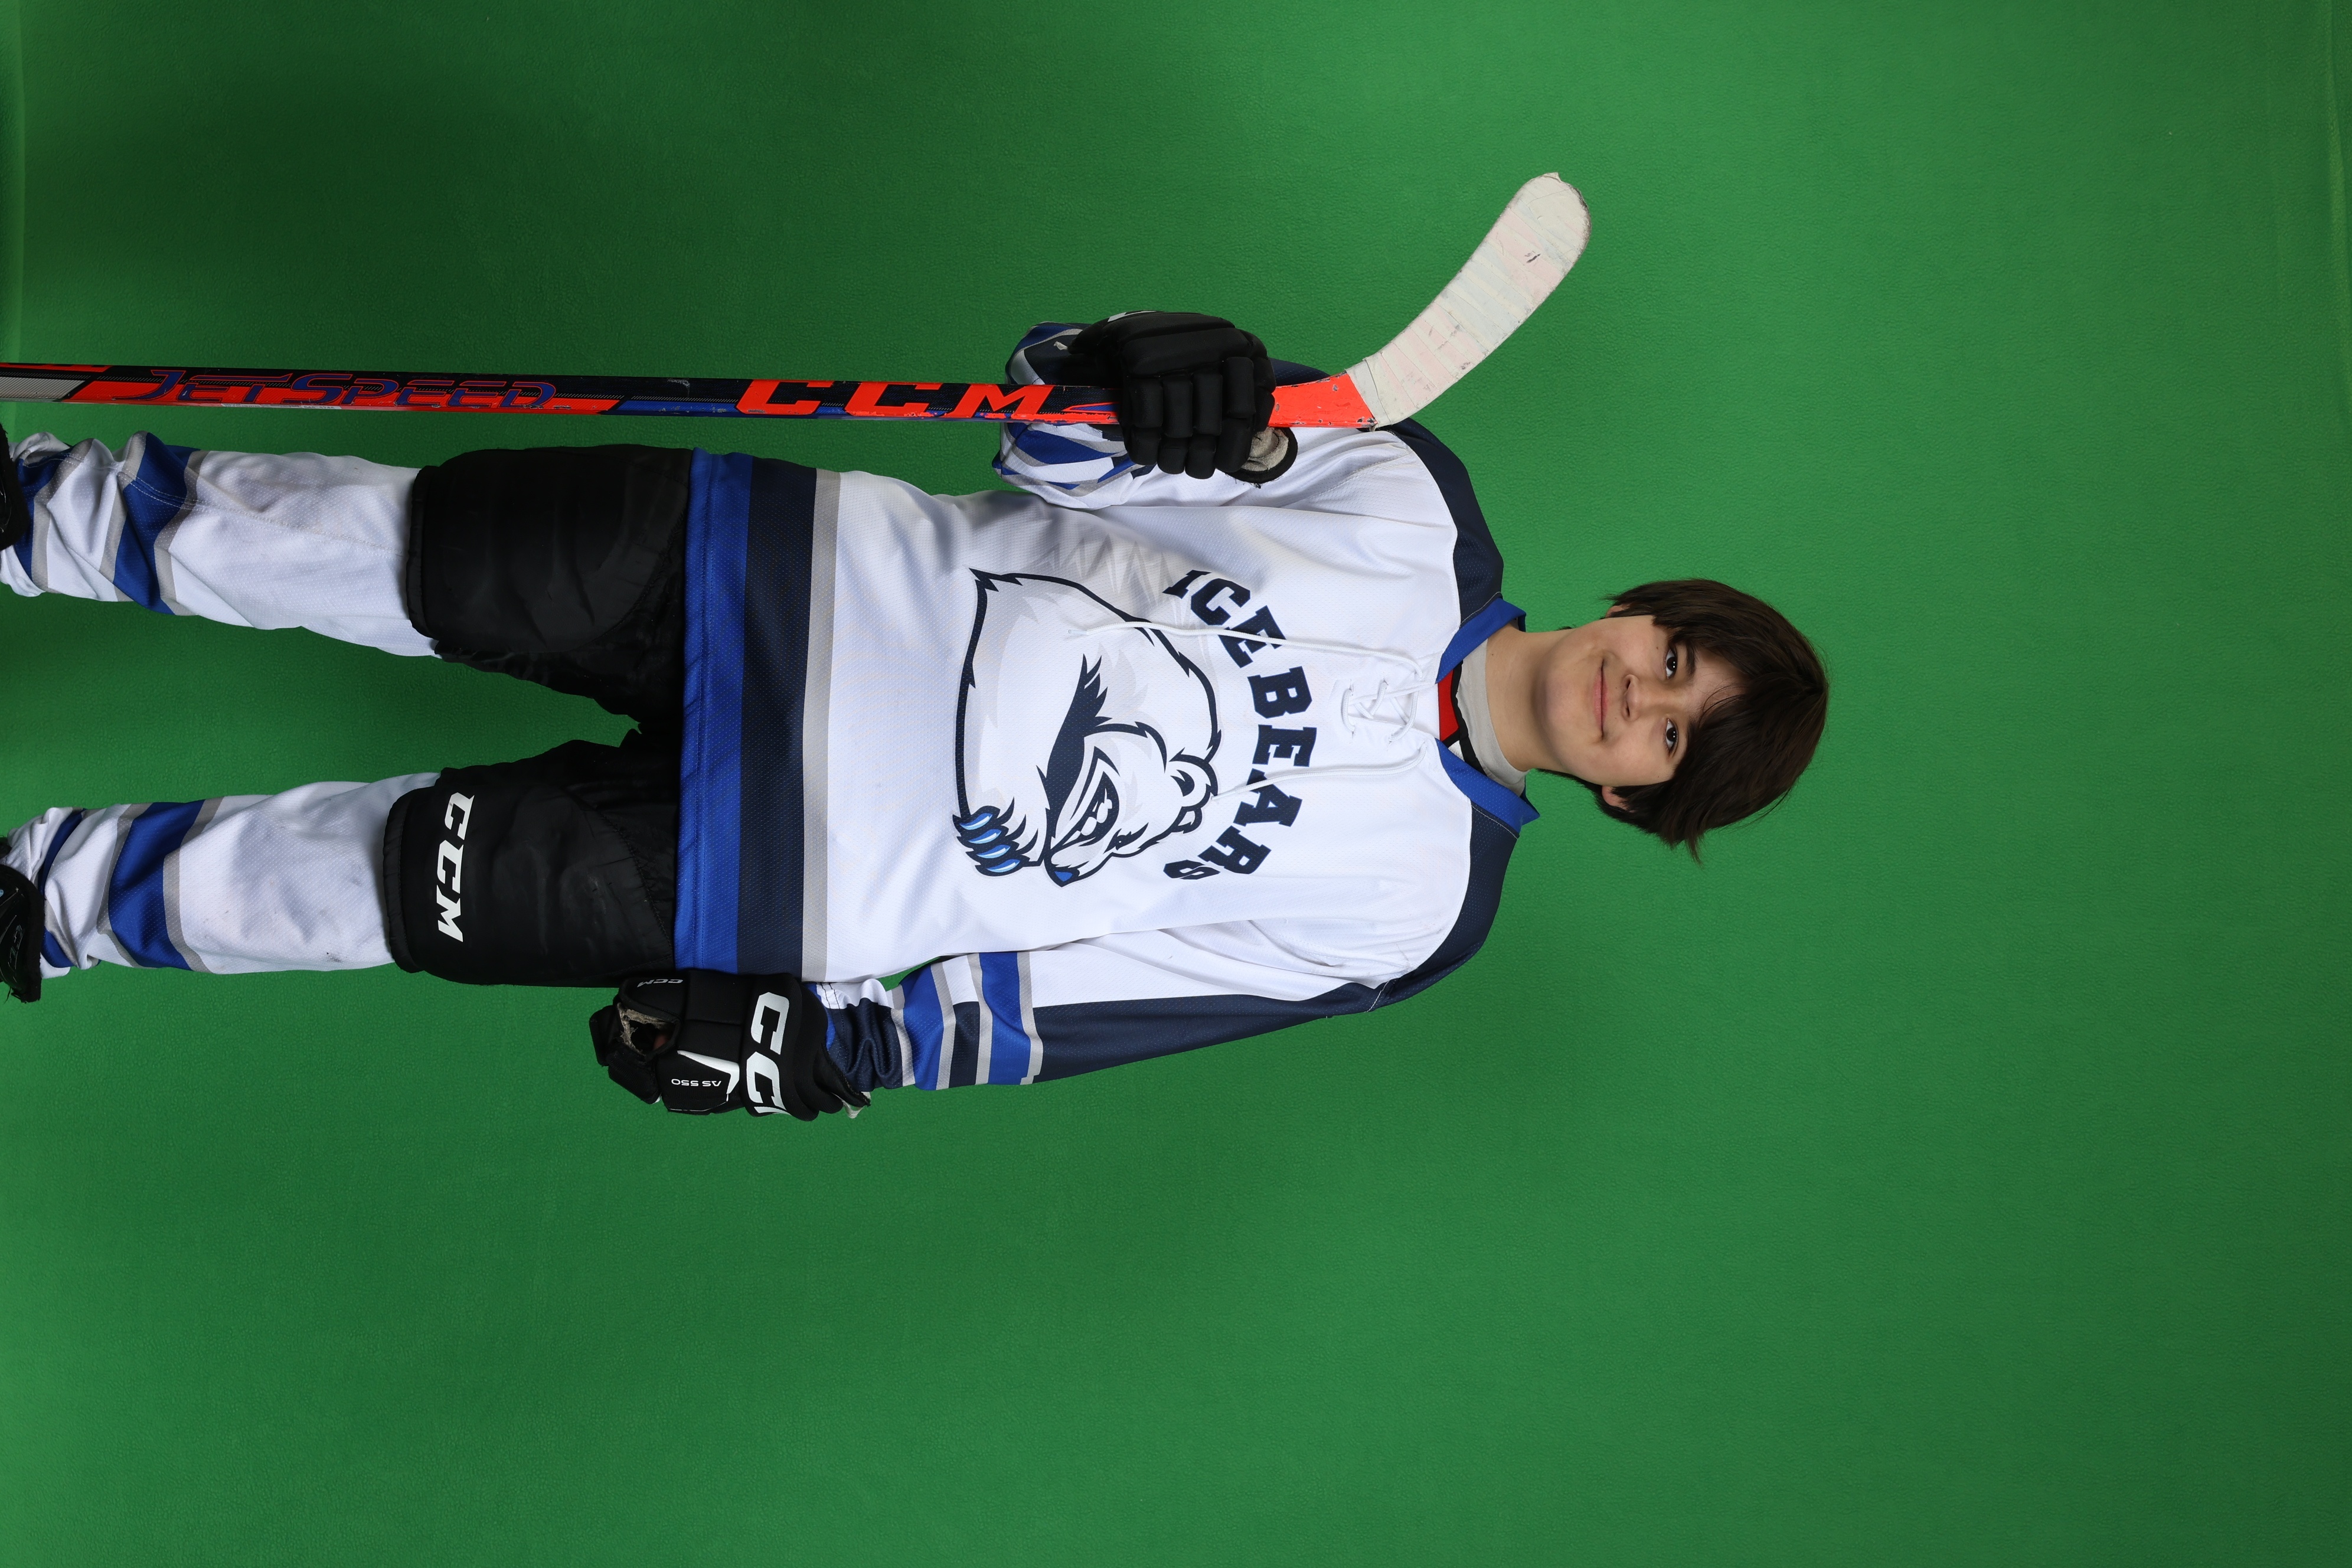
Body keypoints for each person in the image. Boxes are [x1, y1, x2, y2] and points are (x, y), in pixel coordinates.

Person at [0, 313, 1828, 1119]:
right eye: (1677, 656)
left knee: (383, 884)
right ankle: (42, 512)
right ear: (1643, 608)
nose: (1643, 696)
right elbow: (1050, 441)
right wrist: (1131, 366)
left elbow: (1115, 991)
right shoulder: (1406, 497)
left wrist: (848, 1051)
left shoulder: (1414, 912)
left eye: (1677, 736)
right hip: (771, 574)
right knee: (390, 551)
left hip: (787, 882)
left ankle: (48, 901)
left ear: (1635, 797)